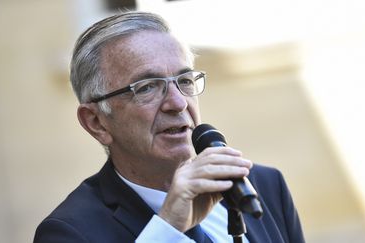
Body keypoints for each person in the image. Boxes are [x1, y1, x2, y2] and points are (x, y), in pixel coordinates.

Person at [34, 11, 305, 243]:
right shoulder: (69, 232)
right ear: (97, 122)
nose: (177, 103)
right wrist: (167, 227)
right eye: (147, 87)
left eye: (185, 80)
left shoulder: (263, 187)